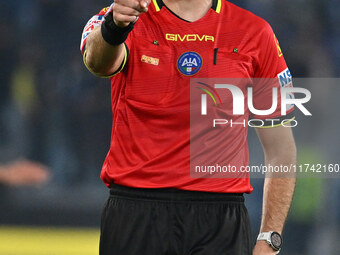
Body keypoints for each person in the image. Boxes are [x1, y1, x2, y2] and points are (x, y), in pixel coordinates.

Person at [80, 0, 296, 254]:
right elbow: (97, 63)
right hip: (136, 208)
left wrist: (269, 239)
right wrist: (114, 28)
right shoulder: (122, 14)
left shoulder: (256, 32)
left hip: (220, 219)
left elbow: (281, 148)